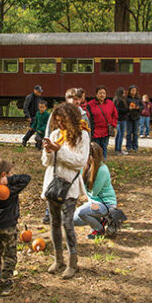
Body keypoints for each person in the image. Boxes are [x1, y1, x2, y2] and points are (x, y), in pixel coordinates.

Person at [42, 103, 90, 279]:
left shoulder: (82, 135)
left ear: (72, 119)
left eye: (63, 121)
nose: (60, 125)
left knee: (67, 224)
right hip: (53, 184)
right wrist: (48, 151)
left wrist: (59, 150)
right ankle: (58, 259)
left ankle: (72, 263)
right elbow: (45, 162)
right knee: (54, 223)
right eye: (58, 121)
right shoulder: (55, 134)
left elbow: (80, 161)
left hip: (69, 186)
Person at [0, 160, 31, 296]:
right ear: (4, 174)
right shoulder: (9, 189)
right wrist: (9, 180)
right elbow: (26, 178)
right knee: (10, 255)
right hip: (9, 227)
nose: (12, 175)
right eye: (10, 174)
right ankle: (5, 282)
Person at [73, 142, 118, 239]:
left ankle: (99, 229)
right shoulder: (85, 167)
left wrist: (82, 185)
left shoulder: (102, 170)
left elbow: (94, 192)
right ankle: (101, 220)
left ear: (91, 157)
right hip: (93, 203)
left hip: (106, 204)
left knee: (81, 212)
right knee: (72, 220)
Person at [86, 86, 118, 160]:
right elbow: (88, 118)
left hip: (106, 131)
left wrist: (113, 125)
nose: (102, 95)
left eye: (104, 93)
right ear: (96, 94)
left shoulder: (110, 104)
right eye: (100, 93)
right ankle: (95, 164)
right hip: (95, 131)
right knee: (95, 149)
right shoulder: (90, 104)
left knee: (104, 148)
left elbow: (115, 115)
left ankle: (103, 163)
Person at [126, 85, 142, 152]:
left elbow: (142, 107)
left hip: (136, 117)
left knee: (135, 133)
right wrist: (128, 108)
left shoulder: (138, 99)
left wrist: (138, 108)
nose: (133, 91)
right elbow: (124, 108)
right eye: (132, 90)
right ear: (129, 91)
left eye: (134, 90)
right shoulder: (127, 99)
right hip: (129, 117)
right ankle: (128, 146)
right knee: (129, 133)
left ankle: (135, 146)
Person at [113, 87, 129, 155]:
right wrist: (128, 109)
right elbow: (119, 110)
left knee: (118, 134)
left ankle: (117, 148)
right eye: (124, 93)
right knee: (121, 135)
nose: (125, 94)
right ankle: (119, 149)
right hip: (121, 119)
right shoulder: (120, 100)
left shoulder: (116, 99)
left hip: (118, 119)